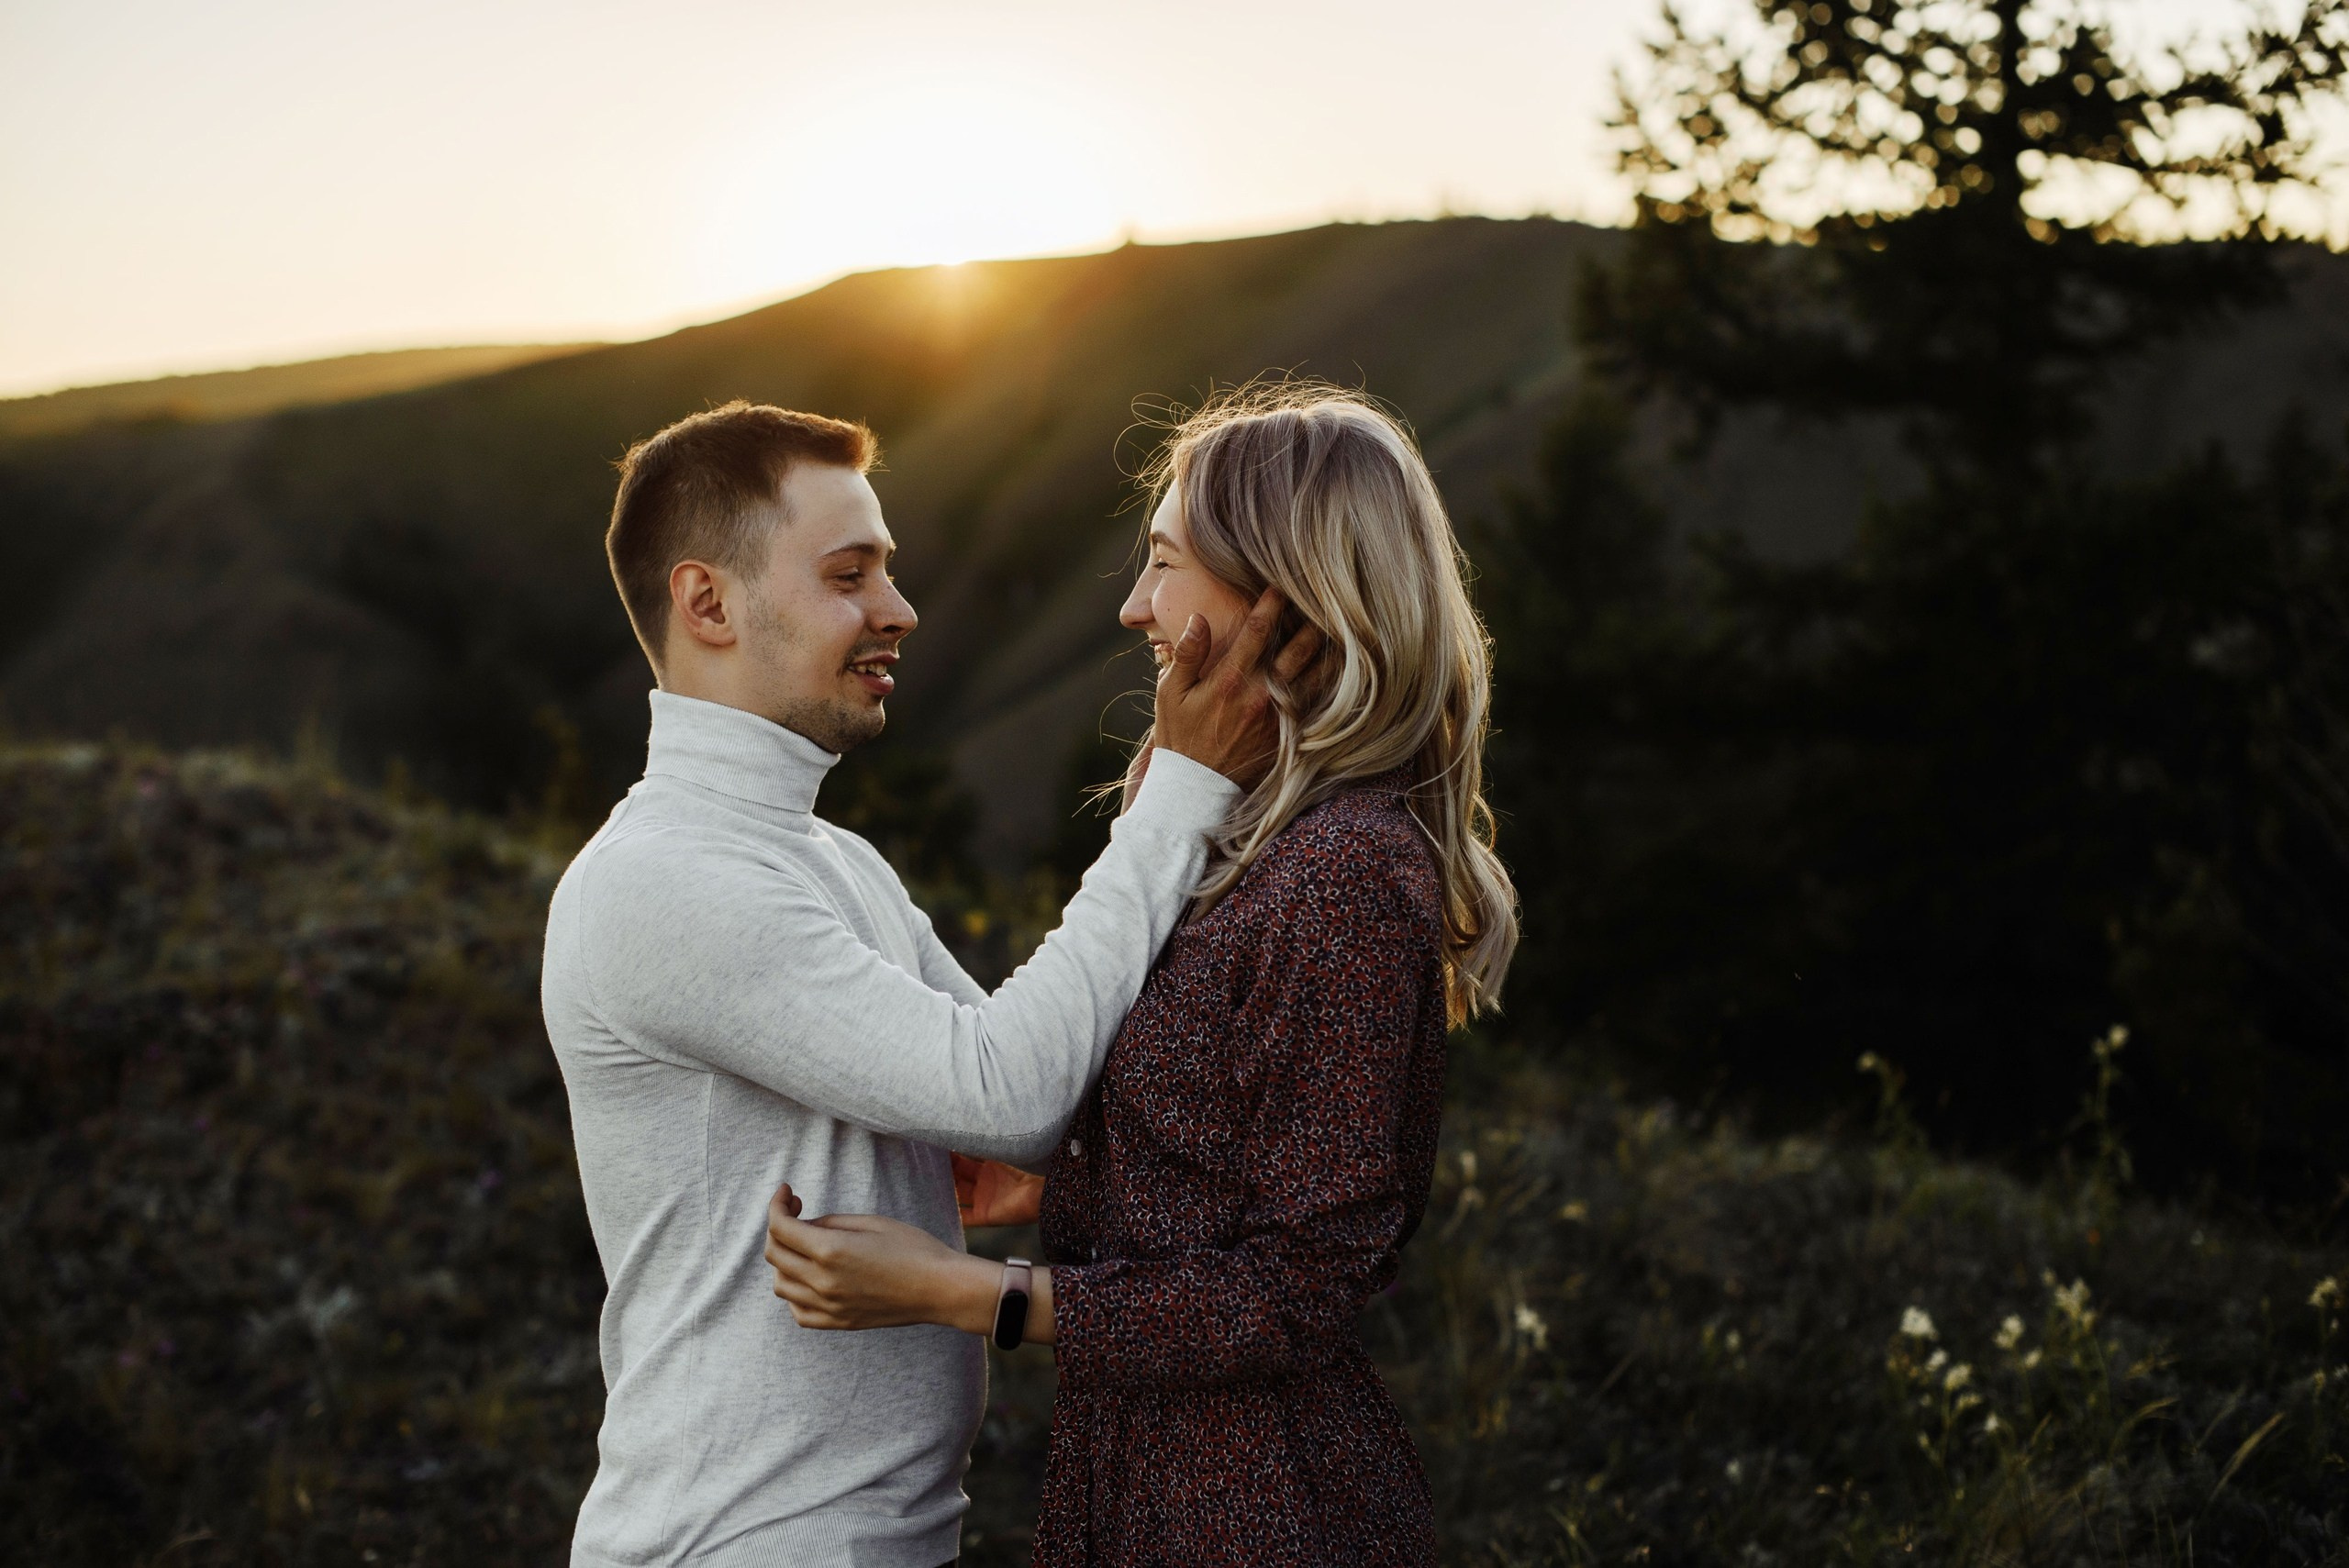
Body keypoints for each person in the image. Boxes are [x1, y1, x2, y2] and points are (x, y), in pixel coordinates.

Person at [540, 400, 1319, 1568]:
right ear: (706, 603)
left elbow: (1023, 1099)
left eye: (887, 572)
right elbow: (1012, 1088)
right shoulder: (663, 878)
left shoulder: (829, 858)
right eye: (849, 574)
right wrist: (1178, 796)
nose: (897, 610)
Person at [763, 384, 1520, 1566]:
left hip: (1256, 1505)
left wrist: (966, 1291)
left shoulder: (1346, 872)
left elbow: (1290, 1287)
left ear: (1288, 594)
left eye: (1163, 561)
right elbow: (1229, 1142)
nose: (1130, 606)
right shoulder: (1251, 840)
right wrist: (1074, 1176)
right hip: (1141, 1473)